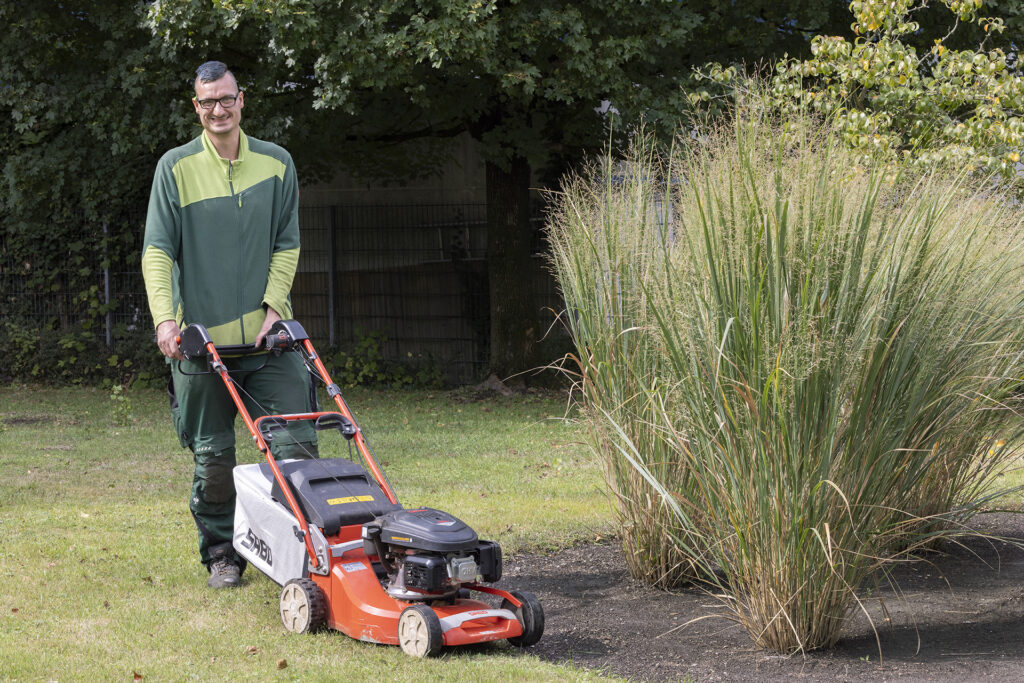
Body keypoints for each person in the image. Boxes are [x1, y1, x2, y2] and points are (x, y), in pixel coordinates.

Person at [143, 61, 317, 588]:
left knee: (297, 448)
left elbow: (287, 243)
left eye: (226, 99)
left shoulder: (277, 163)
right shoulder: (174, 169)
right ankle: (222, 552)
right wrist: (165, 321)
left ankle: (303, 550)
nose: (218, 110)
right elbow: (157, 250)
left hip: (267, 343)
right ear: (195, 107)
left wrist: (274, 305)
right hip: (201, 347)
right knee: (213, 457)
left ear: (242, 100)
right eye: (207, 102)